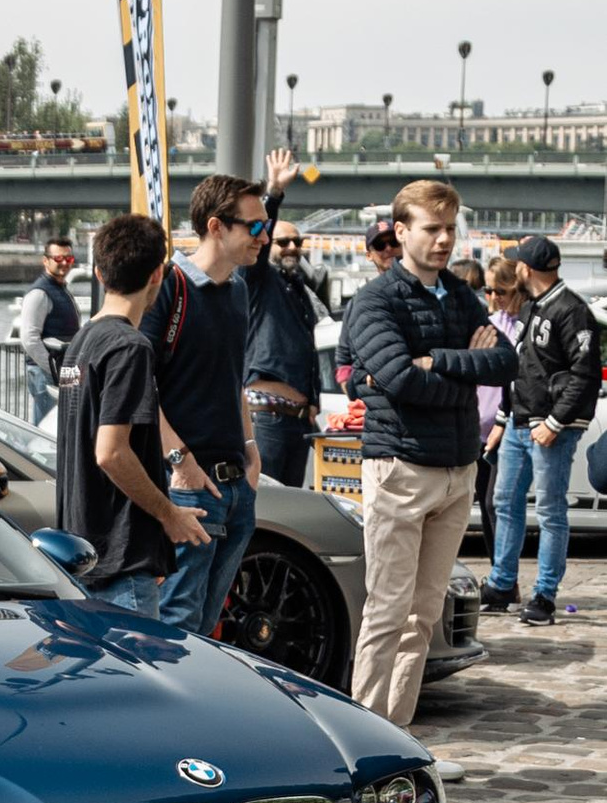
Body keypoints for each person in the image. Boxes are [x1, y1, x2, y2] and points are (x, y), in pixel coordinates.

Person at [342, 178, 501, 722]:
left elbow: (505, 363)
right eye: (432, 229)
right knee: (387, 612)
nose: (444, 239)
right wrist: (460, 364)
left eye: (451, 229)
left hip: (458, 470)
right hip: (401, 467)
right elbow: (399, 380)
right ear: (401, 231)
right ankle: (362, 743)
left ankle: (402, 738)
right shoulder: (375, 300)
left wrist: (440, 361)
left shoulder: (459, 293)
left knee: (425, 615)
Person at [147, 149, 298, 638]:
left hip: (236, 484)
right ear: (216, 226)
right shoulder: (168, 287)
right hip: (190, 484)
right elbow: (139, 385)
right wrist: (180, 462)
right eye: (254, 227)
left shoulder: (236, 290)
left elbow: (233, 377)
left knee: (208, 625)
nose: (265, 235)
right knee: (177, 623)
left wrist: (251, 451)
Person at [56, 212, 212, 613]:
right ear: (158, 275)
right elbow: (110, 452)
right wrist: (169, 514)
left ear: (98, 274)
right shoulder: (130, 347)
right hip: (120, 567)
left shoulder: (83, 340)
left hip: (81, 559)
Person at [484, 233, 601, 628]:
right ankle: (501, 584)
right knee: (506, 502)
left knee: (550, 511)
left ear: (526, 269)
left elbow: (584, 374)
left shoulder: (572, 310)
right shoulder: (534, 307)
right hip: (520, 422)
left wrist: (555, 422)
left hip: (550, 426)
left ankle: (545, 594)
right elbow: (525, 368)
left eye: (517, 262)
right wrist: (504, 419)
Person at [240, 212, 329, 487]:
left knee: (286, 509)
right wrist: (274, 195)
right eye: (283, 242)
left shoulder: (299, 289)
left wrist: (313, 400)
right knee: (265, 504)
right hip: (268, 418)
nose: (292, 247)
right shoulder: (258, 280)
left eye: (297, 241)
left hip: (297, 422)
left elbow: (310, 350)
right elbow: (258, 235)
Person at [471, 253, 526, 559]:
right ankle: (499, 571)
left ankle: (505, 575)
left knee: (498, 502)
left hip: (508, 427)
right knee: (485, 503)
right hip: (478, 428)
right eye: (488, 291)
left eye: (499, 291)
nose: (492, 297)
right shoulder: (487, 324)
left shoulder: (525, 325)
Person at [13, 236, 82, 423]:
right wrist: (54, 371)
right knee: (45, 429)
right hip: (47, 373)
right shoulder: (39, 293)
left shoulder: (61, 289)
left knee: (66, 425)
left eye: (69, 259)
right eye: (58, 259)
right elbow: (29, 339)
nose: (64, 263)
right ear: (46, 261)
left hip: (64, 370)